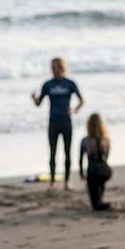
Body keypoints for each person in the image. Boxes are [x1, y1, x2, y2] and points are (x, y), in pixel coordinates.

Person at [31, 57, 83, 191]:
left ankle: (67, 181)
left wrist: (75, 109)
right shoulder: (48, 84)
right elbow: (38, 103)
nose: (54, 70)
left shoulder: (69, 83)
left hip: (66, 121)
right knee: (52, 152)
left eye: (56, 67)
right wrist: (34, 98)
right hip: (53, 122)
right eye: (52, 67)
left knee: (67, 152)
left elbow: (82, 100)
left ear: (62, 67)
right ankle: (52, 182)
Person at [78, 113, 112, 212]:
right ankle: (100, 199)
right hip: (105, 171)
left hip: (92, 171)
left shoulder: (85, 141)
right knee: (99, 183)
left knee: (95, 203)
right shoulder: (106, 140)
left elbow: (80, 160)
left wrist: (81, 174)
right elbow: (106, 158)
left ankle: (102, 203)